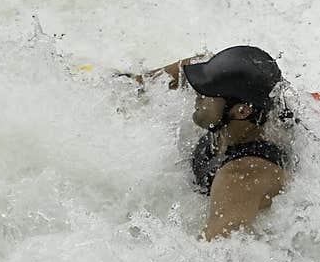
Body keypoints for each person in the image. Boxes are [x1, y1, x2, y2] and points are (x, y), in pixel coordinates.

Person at [120, 45, 291, 241]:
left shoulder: (241, 177)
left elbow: (218, 251)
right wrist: (136, 84)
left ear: (241, 111)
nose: (196, 94)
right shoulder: (247, 118)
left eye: (207, 91)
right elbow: (200, 62)